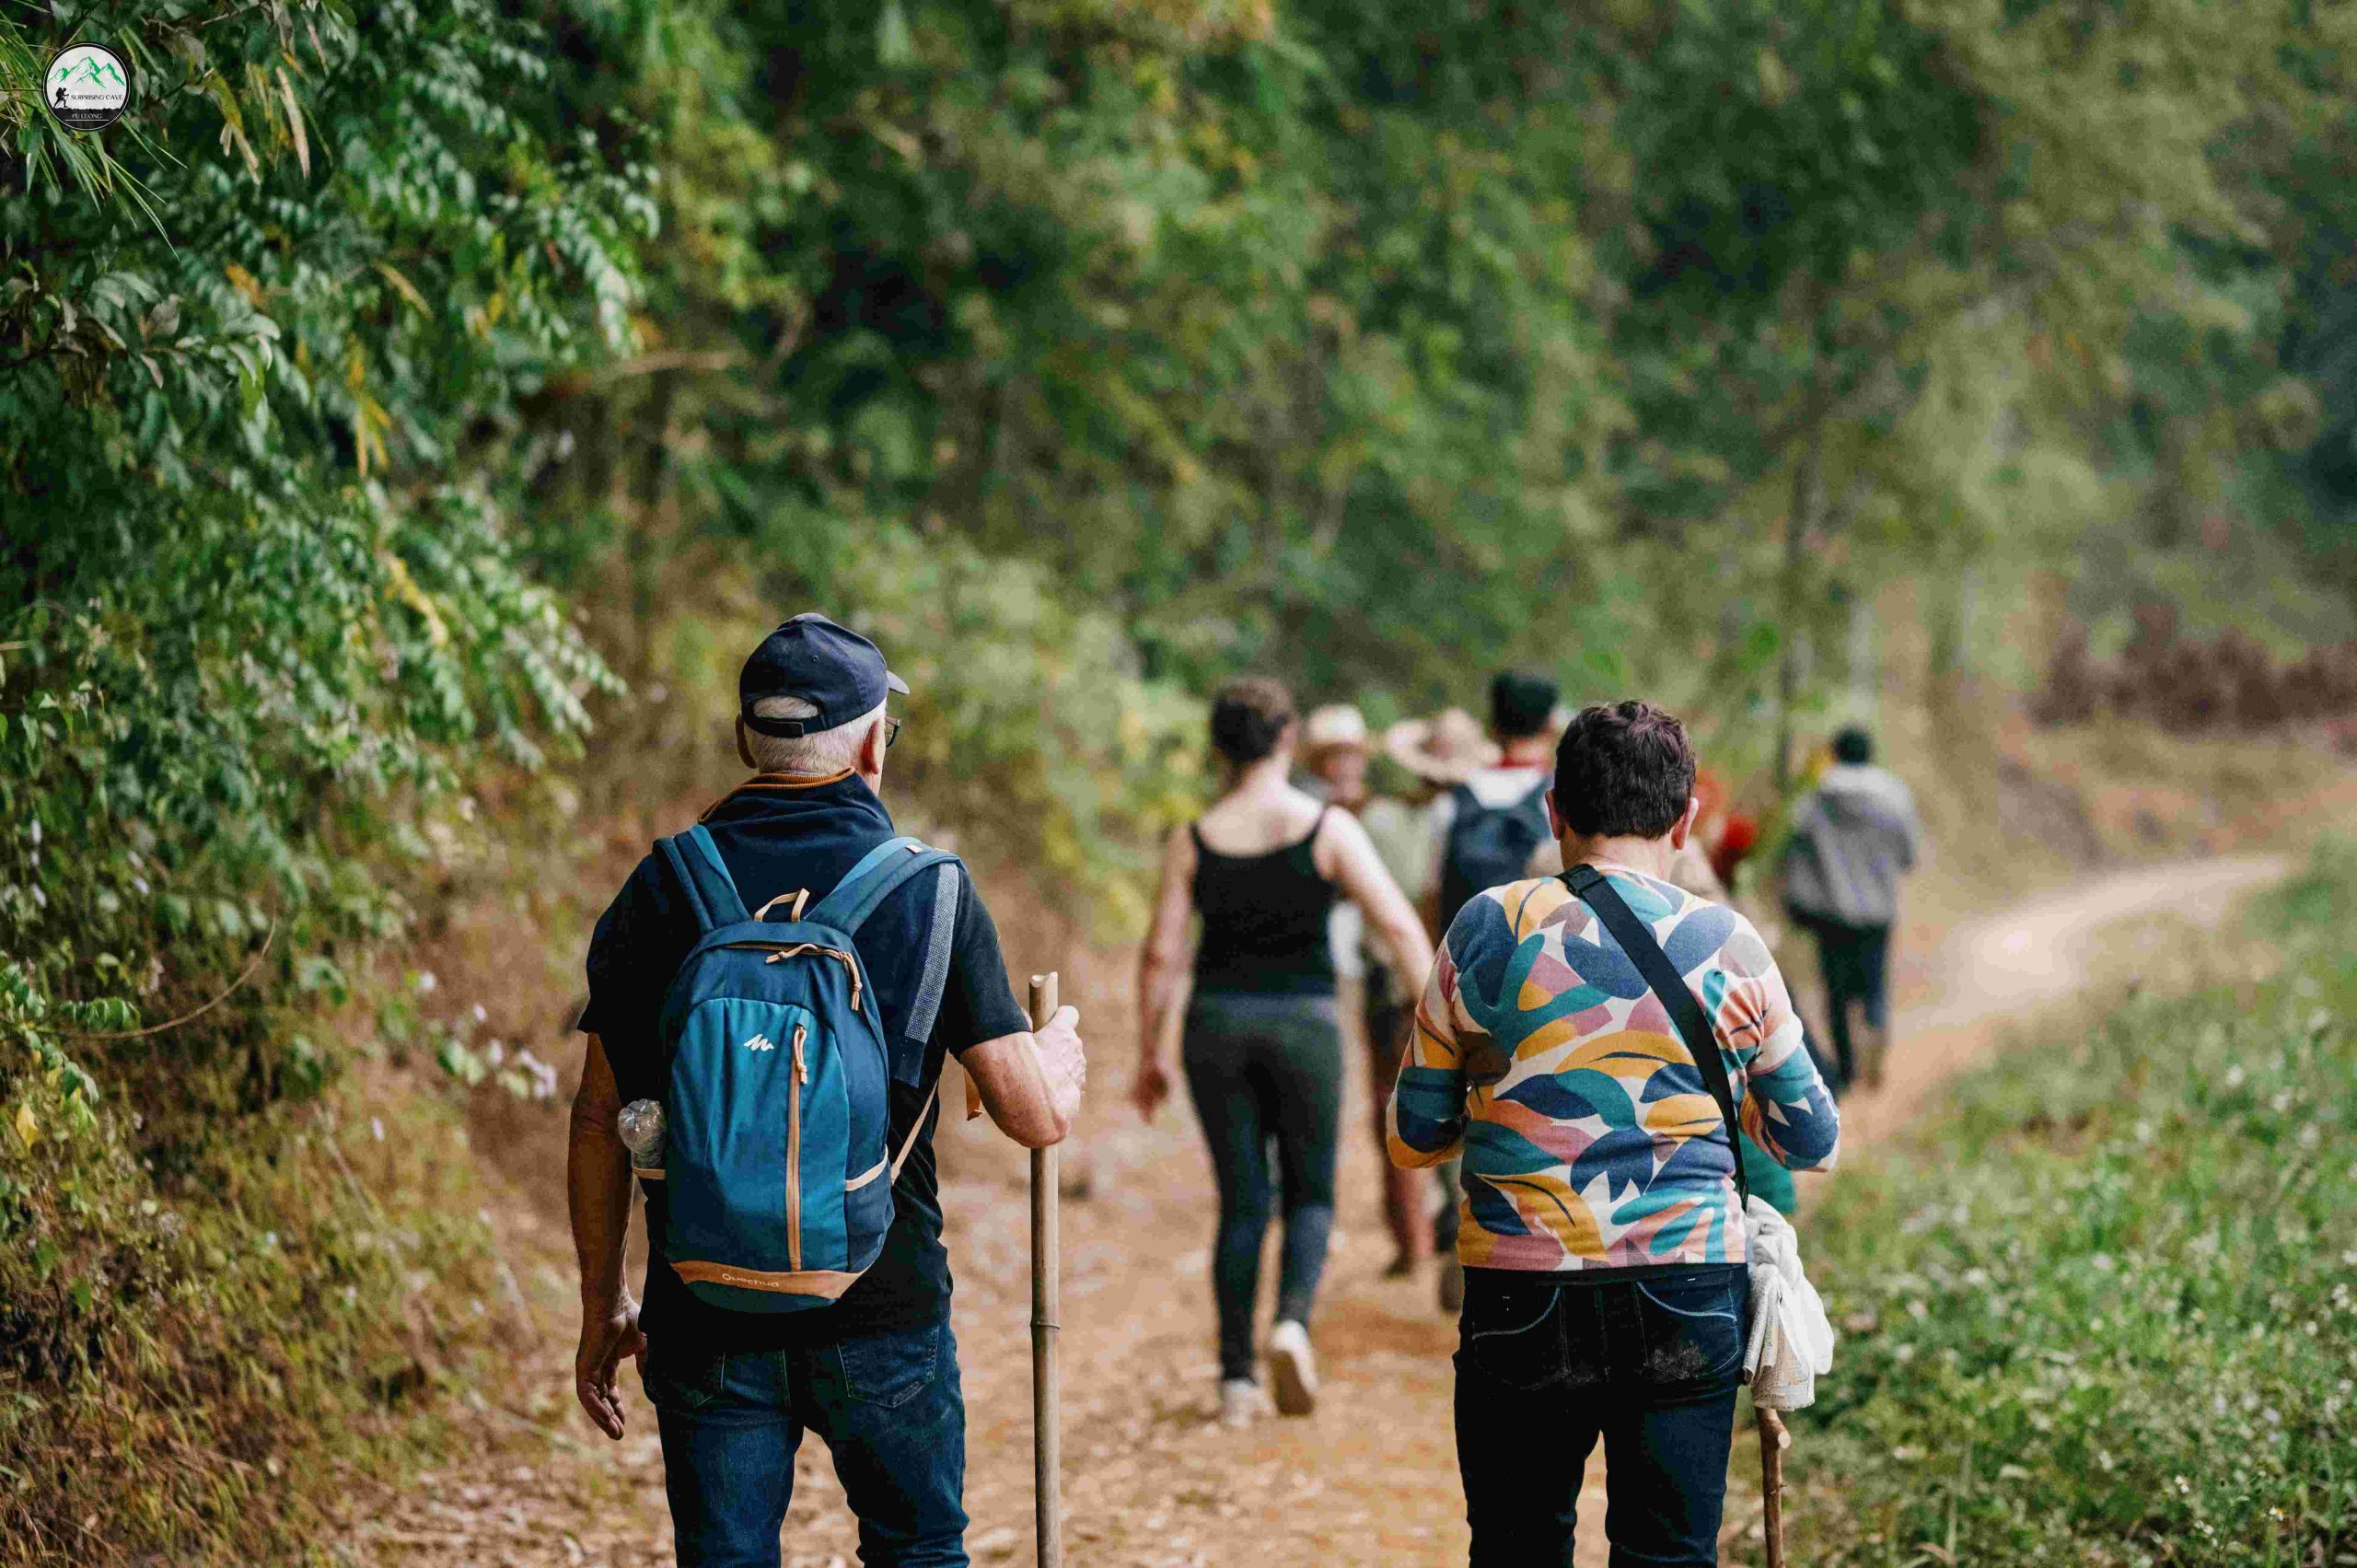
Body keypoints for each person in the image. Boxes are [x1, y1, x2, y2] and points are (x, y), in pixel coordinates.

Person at [567, 612, 1087, 1568]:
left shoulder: (664, 883)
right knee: (917, 1548)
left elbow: (600, 1118)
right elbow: (1034, 1113)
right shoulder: (929, 891)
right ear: (869, 744)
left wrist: (602, 1305)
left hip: (701, 1306)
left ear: (742, 741)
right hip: (881, 1308)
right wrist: (1057, 1046)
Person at [1387, 700, 1840, 1567]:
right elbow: (1810, 1137)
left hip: (1520, 1293)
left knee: (1518, 1548)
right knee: (1667, 1553)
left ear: (1554, 811)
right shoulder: (1730, 943)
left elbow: (1414, 1136)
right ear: (1686, 819)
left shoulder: (1485, 926)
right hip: (1686, 1288)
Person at [1133, 678, 1434, 1428]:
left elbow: (1160, 953)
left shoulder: (1193, 836)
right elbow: (1397, 927)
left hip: (1216, 1024)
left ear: (1218, 748)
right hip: (1305, 1024)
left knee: (1242, 1201)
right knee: (1312, 1193)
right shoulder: (1326, 826)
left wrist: (1149, 1051)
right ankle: (1292, 1324)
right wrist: (1436, 1024)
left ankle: (1236, 1378)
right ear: (1288, 739)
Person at [1397, 671, 1563, 1311]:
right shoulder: (1562, 795)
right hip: (1542, 978)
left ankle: (1459, 1223)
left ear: (1491, 725)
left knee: (1454, 1096)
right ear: (1548, 725)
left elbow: (1431, 892)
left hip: (1462, 970)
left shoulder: (1455, 797)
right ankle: (1527, 1240)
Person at [1300, 703, 1433, 1277]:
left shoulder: (1376, 821)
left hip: (1397, 980)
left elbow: (1405, 905)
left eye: (1349, 755)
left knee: (1393, 1101)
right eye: (1332, 758)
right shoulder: (1313, 817)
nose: (1342, 766)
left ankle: (1417, 1237)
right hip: (1349, 980)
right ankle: (1411, 1234)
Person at [1781, 724, 1921, 1091]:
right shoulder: (1894, 797)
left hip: (1830, 913)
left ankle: (1845, 1069)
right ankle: (1873, 1042)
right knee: (1874, 985)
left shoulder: (1815, 799)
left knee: (1837, 993)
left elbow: (1795, 851)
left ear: (1836, 754)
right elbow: (1908, 856)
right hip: (1877, 912)